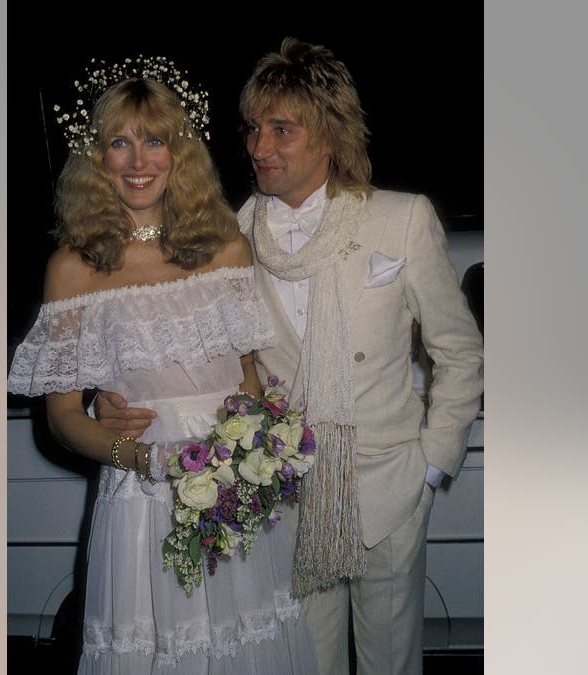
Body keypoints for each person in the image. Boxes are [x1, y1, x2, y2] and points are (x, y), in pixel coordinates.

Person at [97, 39, 484, 674]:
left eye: (281, 129)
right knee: (306, 662)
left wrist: (433, 466)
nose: (257, 147)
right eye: (253, 128)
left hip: (390, 483)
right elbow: (174, 340)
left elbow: (461, 353)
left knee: (392, 661)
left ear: (329, 135)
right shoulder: (231, 235)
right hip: (285, 492)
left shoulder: (399, 220)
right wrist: (106, 401)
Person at [7, 63, 319, 674]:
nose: (137, 160)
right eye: (119, 142)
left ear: (181, 152)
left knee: (245, 641)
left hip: (233, 494)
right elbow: (64, 419)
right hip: (141, 498)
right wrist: (144, 458)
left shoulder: (228, 248)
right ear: (97, 158)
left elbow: (247, 383)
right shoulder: (72, 269)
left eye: (155, 140)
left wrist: (260, 452)